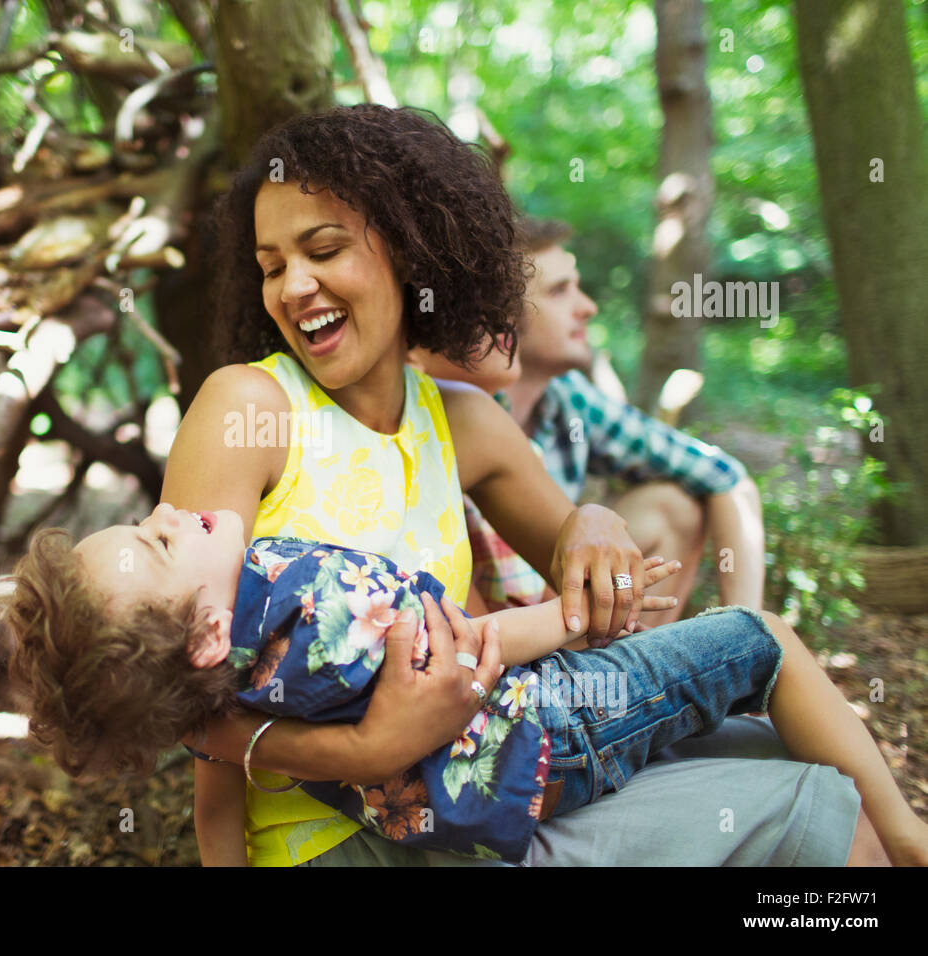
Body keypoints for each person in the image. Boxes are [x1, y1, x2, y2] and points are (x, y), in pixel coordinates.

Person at [155, 104, 871, 866]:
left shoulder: (463, 423)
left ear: (409, 249)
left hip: (483, 781)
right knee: (825, 813)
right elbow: (179, 700)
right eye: (271, 267)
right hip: (337, 842)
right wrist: (367, 752)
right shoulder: (247, 407)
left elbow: (582, 571)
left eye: (323, 249)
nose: (294, 285)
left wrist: (591, 518)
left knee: (792, 752)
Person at [0, 504, 928, 866]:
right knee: (756, 639)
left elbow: (223, 798)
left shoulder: (214, 691)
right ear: (206, 634)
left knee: (747, 713)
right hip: (556, 731)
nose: (168, 509)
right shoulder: (308, 604)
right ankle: (906, 839)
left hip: (488, 783)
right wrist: (584, 617)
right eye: (161, 542)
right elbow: (469, 647)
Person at [465, 217, 765, 620]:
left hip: (560, 607)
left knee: (672, 506)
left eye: (577, 287)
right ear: (500, 315)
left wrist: (748, 634)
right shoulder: (457, 409)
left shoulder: (570, 398)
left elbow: (722, 474)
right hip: (497, 630)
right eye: (559, 291)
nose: (588, 308)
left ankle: (638, 669)